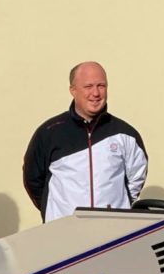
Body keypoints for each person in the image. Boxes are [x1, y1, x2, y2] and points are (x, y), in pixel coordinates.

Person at [23, 61, 148, 222]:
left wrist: (116, 208)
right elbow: (32, 179)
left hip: (112, 231)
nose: (95, 93)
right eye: (88, 87)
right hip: (64, 232)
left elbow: (136, 178)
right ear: (73, 90)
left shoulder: (126, 134)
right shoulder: (49, 132)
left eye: (101, 86)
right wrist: (56, 212)